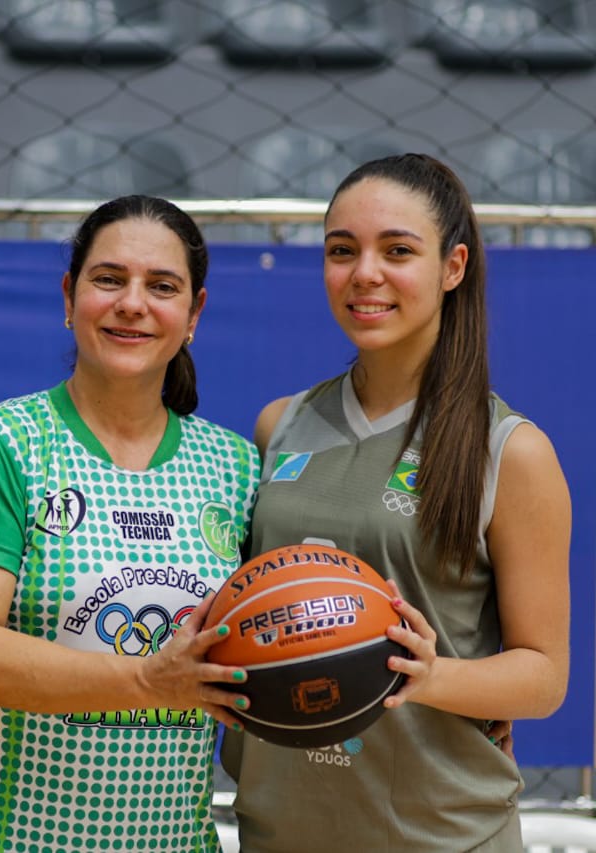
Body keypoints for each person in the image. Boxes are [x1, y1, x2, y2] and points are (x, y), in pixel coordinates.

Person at [221, 153, 571, 852]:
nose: (365, 273)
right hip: (279, 829)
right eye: (341, 250)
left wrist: (436, 675)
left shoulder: (511, 450)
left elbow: (542, 676)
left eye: (398, 250)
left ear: (453, 266)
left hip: (441, 834)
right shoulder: (278, 425)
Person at [0, 194, 262, 852]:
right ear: (69, 296)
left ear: (194, 314)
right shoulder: (4, 442)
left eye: (162, 286)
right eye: (109, 279)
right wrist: (145, 680)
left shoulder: (236, 466)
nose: (132, 302)